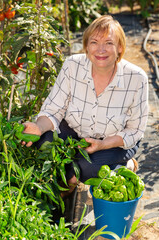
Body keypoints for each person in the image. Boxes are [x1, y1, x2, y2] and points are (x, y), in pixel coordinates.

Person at [22, 15, 149, 197]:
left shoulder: (136, 78)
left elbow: (135, 130)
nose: (101, 50)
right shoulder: (72, 65)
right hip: (76, 130)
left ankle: (127, 164)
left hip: (114, 140)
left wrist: (103, 144)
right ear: (86, 46)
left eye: (109, 43)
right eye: (94, 42)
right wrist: (38, 127)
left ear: (120, 47)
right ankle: (71, 176)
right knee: (44, 143)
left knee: (88, 168)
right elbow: (53, 109)